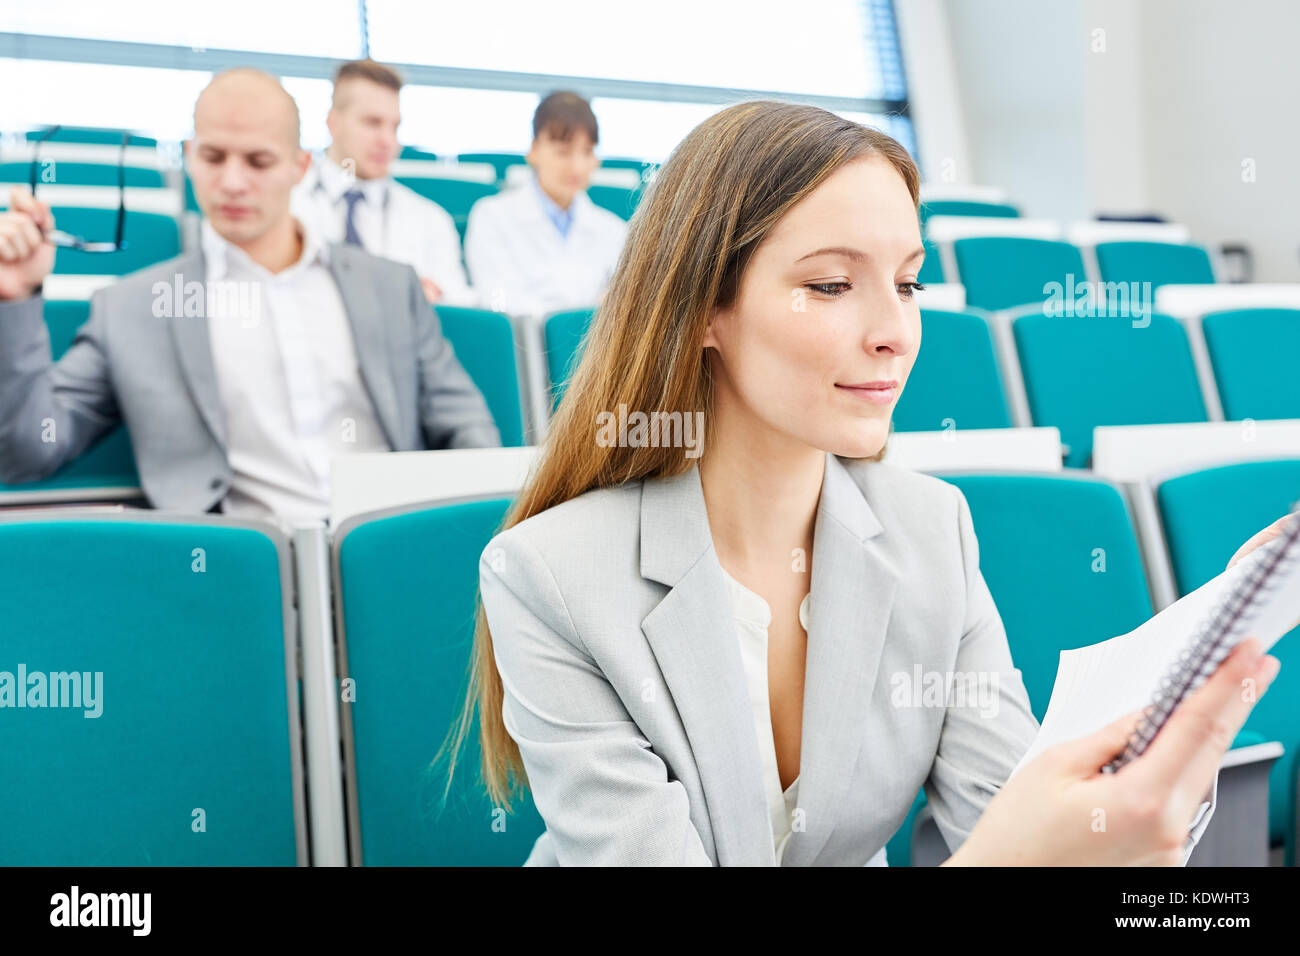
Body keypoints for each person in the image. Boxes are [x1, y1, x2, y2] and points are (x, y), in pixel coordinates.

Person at [441, 101, 1282, 866]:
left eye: (908, 283)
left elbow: (1010, 818)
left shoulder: (932, 529)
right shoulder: (547, 575)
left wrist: (1126, 799)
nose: (896, 333)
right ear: (705, 309)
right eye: (832, 285)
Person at [0, 68, 500, 526]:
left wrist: (464, 534)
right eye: (214, 157)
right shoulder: (133, 309)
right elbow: (26, 454)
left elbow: (467, 426)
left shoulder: (390, 286)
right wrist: (15, 299)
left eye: (259, 161)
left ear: (300, 167)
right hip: (242, 577)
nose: (233, 182)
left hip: (387, 554)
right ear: (191, 157)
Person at [291, 59, 476, 306]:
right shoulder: (287, 204)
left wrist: (430, 299)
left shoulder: (430, 219)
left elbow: (459, 309)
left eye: (395, 126)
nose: (388, 141)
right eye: (372, 123)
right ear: (333, 123)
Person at [463, 91, 628, 316]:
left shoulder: (614, 229)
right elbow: (497, 300)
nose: (577, 166)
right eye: (563, 152)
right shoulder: (491, 216)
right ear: (534, 150)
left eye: (587, 152)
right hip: (522, 348)